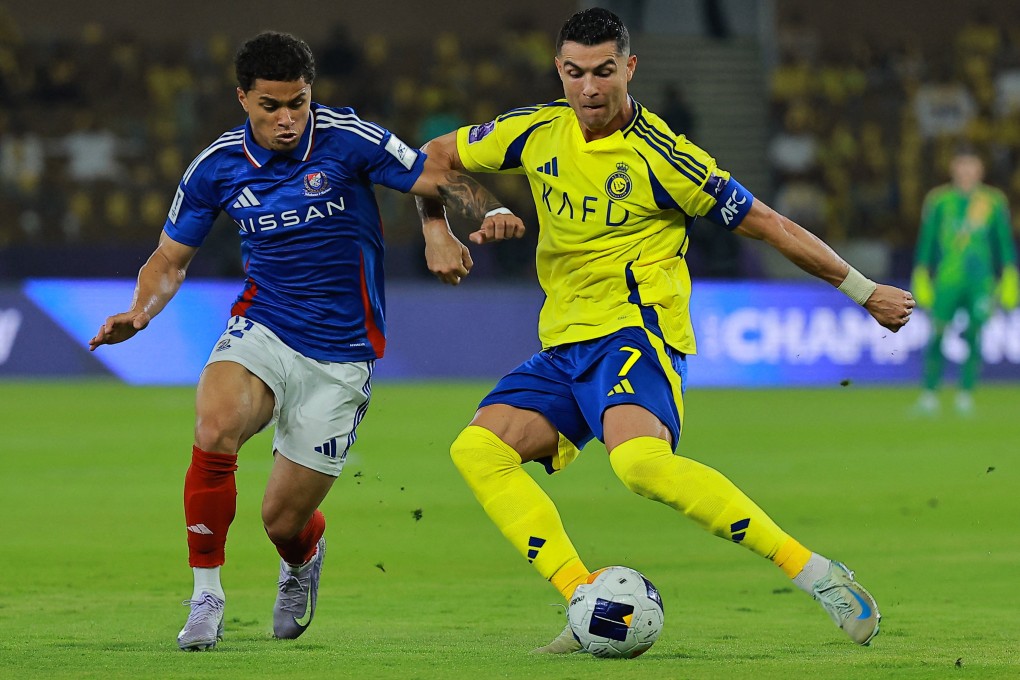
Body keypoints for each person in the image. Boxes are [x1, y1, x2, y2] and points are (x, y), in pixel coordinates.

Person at [416, 8, 915, 652]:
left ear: (630, 67)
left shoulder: (666, 158)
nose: (589, 89)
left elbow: (770, 224)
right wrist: (448, 223)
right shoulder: (536, 131)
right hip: (564, 339)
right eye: (574, 73)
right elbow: (433, 156)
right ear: (558, 70)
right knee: (478, 451)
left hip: (635, 330)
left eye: (602, 72)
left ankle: (816, 573)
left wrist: (863, 290)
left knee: (640, 466)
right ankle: (582, 599)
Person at [88, 31, 523, 651]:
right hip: (264, 325)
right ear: (243, 99)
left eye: (298, 103)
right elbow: (169, 259)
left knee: (281, 520)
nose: (288, 119)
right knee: (214, 427)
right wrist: (140, 312)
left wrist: (482, 211)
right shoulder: (215, 168)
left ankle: (302, 559)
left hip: (342, 354)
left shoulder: (349, 139)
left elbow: (436, 175)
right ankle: (206, 595)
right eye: (271, 106)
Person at [911, 147, 1018, 415]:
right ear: (953, 169)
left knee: (974, 334)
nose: (967, 172)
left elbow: (1003, 241)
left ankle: (965, 394)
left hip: (981, 282)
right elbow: (928, 239)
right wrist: (922, 271)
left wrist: (1009, 273)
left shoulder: (993, 201)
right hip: (947, 280)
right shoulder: (939, 200)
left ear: (980, 170)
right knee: (936, 333)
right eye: (962, 166)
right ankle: (929, 393)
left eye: (972, 166)